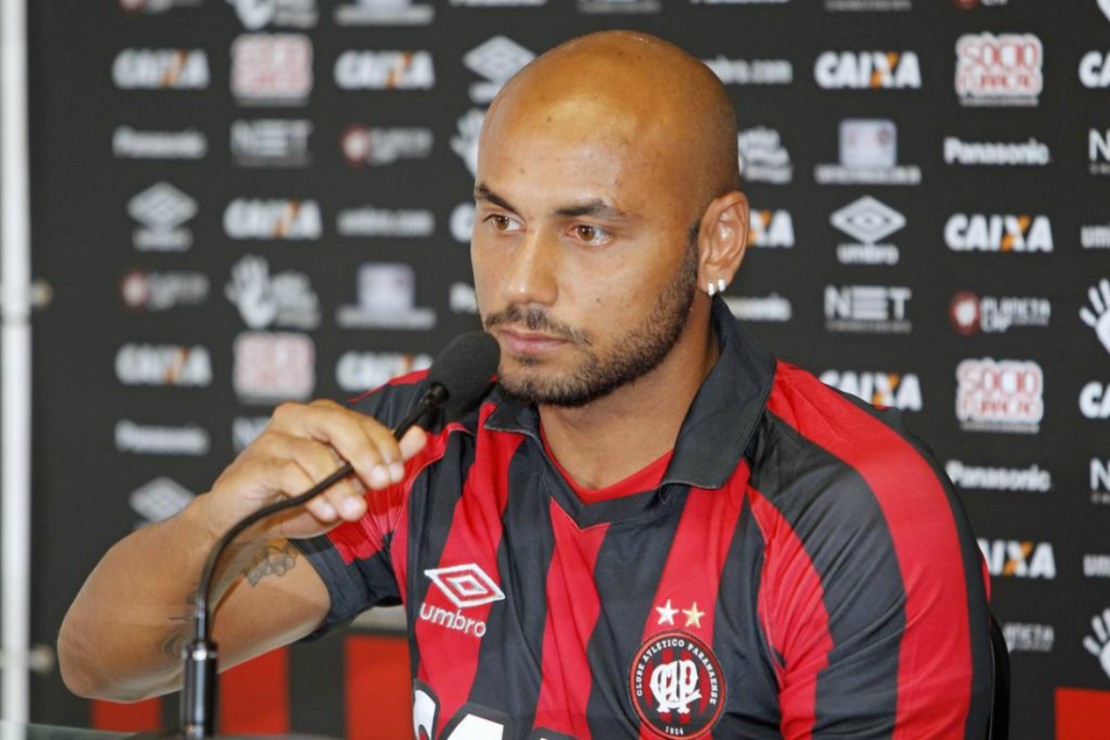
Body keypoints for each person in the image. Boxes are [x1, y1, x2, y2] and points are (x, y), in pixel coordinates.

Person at [59, 30, 992, 738]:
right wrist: (216, 524)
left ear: (717, 242)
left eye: (588, 231)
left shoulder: (853, 511)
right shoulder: (425, 438)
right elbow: (104, 665)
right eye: (500, 220)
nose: (522, 285)